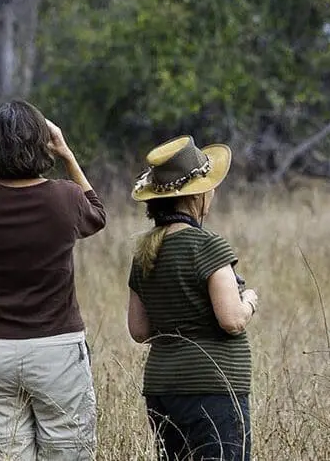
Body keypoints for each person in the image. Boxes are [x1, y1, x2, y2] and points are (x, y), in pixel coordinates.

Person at [0, 100, 108, 459]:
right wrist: (67, 155)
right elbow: (98, 213)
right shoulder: (67, 198)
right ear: (43, 143)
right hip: (57, 348)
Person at [126, 136, 259, 461]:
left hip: (162, 389)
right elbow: (231, 320)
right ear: (196, 195)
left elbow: (139, 330)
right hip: (213, 388)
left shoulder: (144, 253)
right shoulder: (208, 246)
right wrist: (250, 301)